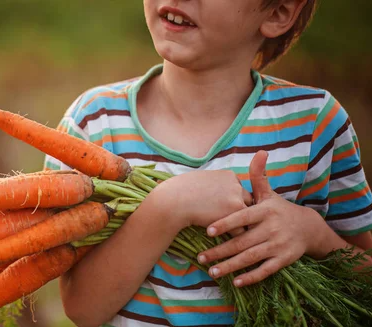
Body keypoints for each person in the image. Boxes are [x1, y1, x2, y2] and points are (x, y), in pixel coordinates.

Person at [44, 1, 372, 326]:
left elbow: (363, 280)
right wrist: (169, 206)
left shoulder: (313, 123)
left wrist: (313, 235)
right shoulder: (93, 123)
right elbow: (82, 308)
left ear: (278, 13)